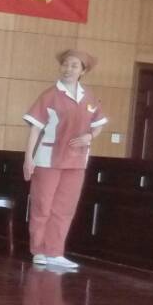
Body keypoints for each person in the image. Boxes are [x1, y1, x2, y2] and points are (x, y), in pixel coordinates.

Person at [23, 49, 108, 269]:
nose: (68, 69)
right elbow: (35, 128)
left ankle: (55, 251)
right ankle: (38, 250)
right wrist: (28, 158)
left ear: (83, 71)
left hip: (76, 161)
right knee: (43, 205)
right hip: (48, 159)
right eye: (65, 64)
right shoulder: (49, 95)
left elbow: (98, 124)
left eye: (74, 66)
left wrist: (90, 136)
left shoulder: (89, 96)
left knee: (64, 208)